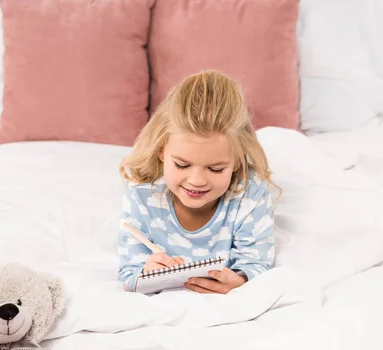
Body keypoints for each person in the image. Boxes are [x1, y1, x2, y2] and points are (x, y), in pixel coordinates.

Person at [117, 70, 277, 294]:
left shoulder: (249, 192)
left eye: (216, 169)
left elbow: (257, 264)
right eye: (182, 165)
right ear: (162, 151)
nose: (197, 181)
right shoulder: (142, 191)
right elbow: (128, 273)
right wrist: (144, 275)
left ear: (238, 162)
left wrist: (240, 281)